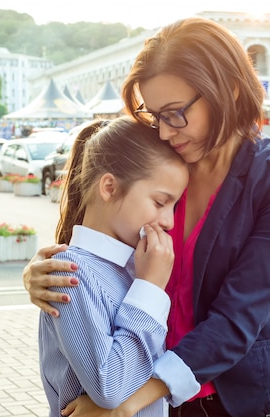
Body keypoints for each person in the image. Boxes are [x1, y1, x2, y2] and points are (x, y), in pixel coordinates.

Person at [23, 17, 270, 417]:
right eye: (155, 115)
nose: (163, 132)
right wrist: (44, 272)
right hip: (141, 392)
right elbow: (101, 235)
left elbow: (237, 319)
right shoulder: (165, 165)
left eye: (176, 113)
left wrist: (127, 400)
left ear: (228, 90)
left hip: (228, 398)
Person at [38, 116, 194, 417]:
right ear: (109, 187)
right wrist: (149, 288)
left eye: (174, 206)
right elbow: (109, 386)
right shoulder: (70, 273)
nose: (169, 221)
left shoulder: (137, 265)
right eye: (160, 202)